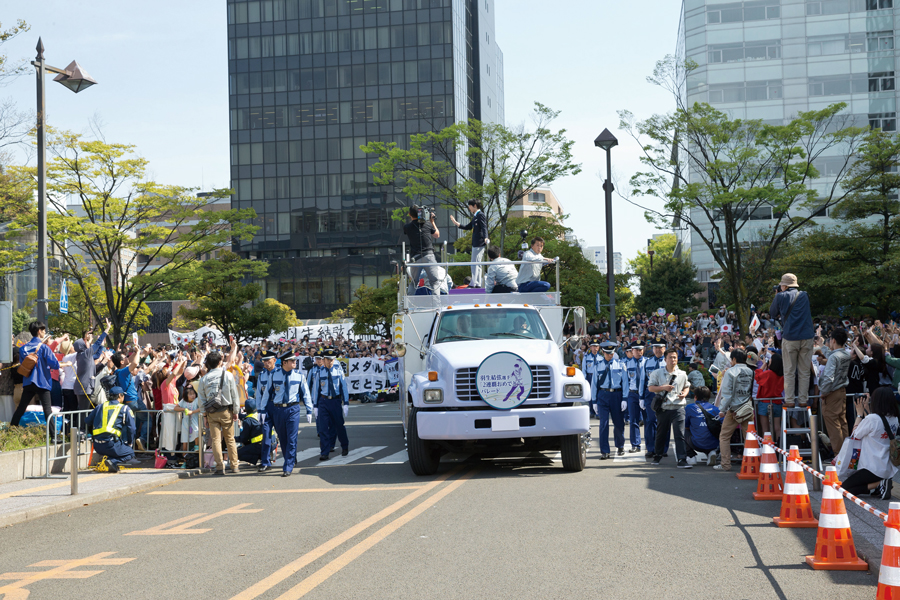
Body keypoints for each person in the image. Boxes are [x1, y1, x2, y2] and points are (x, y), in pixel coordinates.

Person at [842, 388, 898, 500]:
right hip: (887, 467)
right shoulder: (894, 419)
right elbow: (877, 424)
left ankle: (879, 484)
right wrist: (866, 409)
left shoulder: (872, 419)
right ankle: (880, 485)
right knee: (852, 486)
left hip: (871, 468)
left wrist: (859, 414)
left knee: (843, 489)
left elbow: (855, 435)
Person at [770, 273, 814, 408]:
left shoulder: (780, 296)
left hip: (790, 337)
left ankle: (789, 400)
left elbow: (772, 313)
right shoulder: (804, 295)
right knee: (804, 371)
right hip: (807, 336)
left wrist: (778, 295)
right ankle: (802, 400)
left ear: (784, 285)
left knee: (789, 370)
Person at [268, 351, 313, 477]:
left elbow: (306, 394)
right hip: (278, 409)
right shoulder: (274, 375)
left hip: (293, 409)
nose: (295, 362)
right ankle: (291, 457)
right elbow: (267, 393)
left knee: (292, 438)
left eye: (295, 360)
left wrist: (309, 410)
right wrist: (262, 409)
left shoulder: (299, 375)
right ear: (284, 362)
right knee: (283, 438)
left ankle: (288, 465)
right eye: (292, 361)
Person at [198, 351, 240, 476]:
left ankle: (220, 467)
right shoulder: (227, 375)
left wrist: (204, 415)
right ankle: (234, 465)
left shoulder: (204, 378)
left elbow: (201, 399)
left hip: (211, 412)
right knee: (230, 439)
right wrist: (236, 411)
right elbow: (234, 395)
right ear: (220, 362)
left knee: (216, 439)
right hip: (226, 410)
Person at [9, 321, 60, 428]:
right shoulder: (44, 348)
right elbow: (55, 365)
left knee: (21, 408)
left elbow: (24, 365)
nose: (45, 332)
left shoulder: (23, 348)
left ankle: (11, 430)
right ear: (39, 331)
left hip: (28, 382)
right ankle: (54, 436)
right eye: (44, 330)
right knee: (47, 410)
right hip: (42, 382)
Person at [648, 348, 691, 467]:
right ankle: (657, 456)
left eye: (675, 357)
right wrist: (663, 388)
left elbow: (687, 386)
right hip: (664, 407)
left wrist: (685, 393)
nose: (673, 360)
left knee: (680, 434)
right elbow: (651, 388)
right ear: (665, 359)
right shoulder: (657, 373)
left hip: (678, 407)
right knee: (661, 433)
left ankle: (682, 459)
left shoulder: (682, 374)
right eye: (670, 357)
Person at [714, 349, 754, 471]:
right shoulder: (750, 371)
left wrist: (722, 409)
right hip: (747, 408)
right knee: (750, 437)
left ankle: (725, 464)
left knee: (724, 436)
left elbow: (727, 394)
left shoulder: (731, 372)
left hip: (733, 409)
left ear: (734, 359)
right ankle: (752, 465)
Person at [818, 328, 852, 456]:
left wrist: (824, 392)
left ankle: (838, 454)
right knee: (842, 422)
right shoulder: (846, 355)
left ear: (833, 340)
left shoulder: (834, 357)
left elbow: (828, 378)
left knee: (833, 424)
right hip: (842, 391)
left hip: (831, 392)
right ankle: (845, 453)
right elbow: (832, 355)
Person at [88, 385, 137, 473]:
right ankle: (113, 461)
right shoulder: (124, 408)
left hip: (97, 446)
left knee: (117, 448)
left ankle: (111, 465)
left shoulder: (100, 406)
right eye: (123, 395)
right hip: (111, 445)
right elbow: (132, 428)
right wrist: (130, 443)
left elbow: (87, 421)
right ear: (119, 396)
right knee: (130, 453)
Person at [312, 347, 349, 461]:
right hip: (323, 401)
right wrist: (315, 405)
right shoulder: (319, 371)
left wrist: (346, 402)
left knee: (339, 425)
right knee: (323, 428)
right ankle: (325, 452)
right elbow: (316, 389)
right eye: (327, 359)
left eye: (332, 359)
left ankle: (344, 445)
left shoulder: (338, 370)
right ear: (324, 360)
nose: (329, 362)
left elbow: (344, 387)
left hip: (335, 401)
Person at [592, 341, 626, 460]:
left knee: (618, 423)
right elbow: (594, 384)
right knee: (603, 424)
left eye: (611, 353)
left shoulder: (620, 365)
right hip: (603, 395)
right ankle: (605, 451)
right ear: (603, 352)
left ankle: (620, 445)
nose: (610, 355)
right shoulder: (598, 365)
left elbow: (625, 383)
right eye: (607, 353)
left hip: (616, 395)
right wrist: (594, 401)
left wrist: (625, 399)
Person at [110, 347, 149, 451]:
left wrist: (137, 353)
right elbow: (135, 363)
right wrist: (138, 351)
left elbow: (130, 360)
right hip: (134, 401)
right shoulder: (124, 371)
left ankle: (128, 448)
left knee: (131, 425)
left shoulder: (117, 372)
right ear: (122, 362)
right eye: (125, 357)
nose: (127, 358)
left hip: (125, 403)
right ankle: (142, 439)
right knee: (147, 418)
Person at [403, 205, 441, 294]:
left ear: (409, 214)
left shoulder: (407, 227)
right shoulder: (427, 224)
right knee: (434, 282)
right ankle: (436, 306)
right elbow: (437, 235)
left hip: (415, 258)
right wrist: (432, 221)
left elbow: (411, 226)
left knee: (413, 282)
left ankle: (409, 306)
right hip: (428, 256)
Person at [450, 200, 488, 288]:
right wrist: (456, 223)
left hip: (479, 242)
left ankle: (475, 283)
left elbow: (484, 227)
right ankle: (476, 283)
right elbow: (468, 226)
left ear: (474, 205)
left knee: (475, 263)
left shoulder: (480, 215)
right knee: (475, 263)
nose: (468, 208)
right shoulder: (475, 216)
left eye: (469, 206)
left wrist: (486, 237)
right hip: (475, 243)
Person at [253, 350, 278, 473]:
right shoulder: (262, 375)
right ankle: (265, 461)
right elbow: (258, 394)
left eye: (269, 361)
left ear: (274, 360)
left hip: (278, 407)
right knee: (266, 435)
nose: (266, 363)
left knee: (283, 435)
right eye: (264, 361)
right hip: (266, 407)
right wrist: (259, 410)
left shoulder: (280, 372)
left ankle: (291, 458)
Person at [642, 342, 666, 458]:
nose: (658, 350)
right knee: (650, 421)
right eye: (656, 347)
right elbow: (643, 380)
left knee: (664, 422)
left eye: (660, 347)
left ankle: (663, 449)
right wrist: (641, 397)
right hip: (650, 394)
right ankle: (650, 448)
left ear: (664, 348)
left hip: (665, 394)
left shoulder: (668, 361)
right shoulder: (647, 362)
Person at [685, 386, 720, 466]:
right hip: (714, 443)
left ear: (695, 397)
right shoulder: (716, 409)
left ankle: (691, 456)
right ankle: (711, 452)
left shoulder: (690, 407)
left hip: (696, 443)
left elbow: (686, 425)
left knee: (681, 429)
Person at [755, 353, 784, 444]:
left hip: (764, 402)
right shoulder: (782, 376)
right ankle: (779, 445)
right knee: (777, 427)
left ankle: (767, 448)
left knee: (765, 428)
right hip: (777, 402)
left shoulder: (768, 373)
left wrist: (763, 365)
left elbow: (757, 376)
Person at [623, 343, 646, 453]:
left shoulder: (647, 362)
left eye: (641, 349)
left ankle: (651, 446)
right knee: (633, 420)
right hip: (632, 394)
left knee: (649, 420)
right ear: (632, 351)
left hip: (646, 394)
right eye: (636, 350)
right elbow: (625, 381)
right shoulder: (626, 364)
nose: (639, 352)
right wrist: (625, 397)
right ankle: (635, 444)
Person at [237, 397, 265, 466]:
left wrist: (232, 438)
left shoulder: (248, 421)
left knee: (237, 454)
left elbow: (243, 438)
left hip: (259, 446)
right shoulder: (259, 414)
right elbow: (246, 417)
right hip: (270, 443)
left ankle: (259, 457)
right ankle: (265, 457)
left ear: (246, 409)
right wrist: (237, 415)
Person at [581, 340, 601, 418]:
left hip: (598, 377)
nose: (595, 348)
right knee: (590, 394)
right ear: (590, 347)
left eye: (596, 346)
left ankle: (598, 412)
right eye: (593, 346)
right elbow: (584, 369)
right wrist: (584, 379)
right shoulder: (586, 357)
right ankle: (592, 411)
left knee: (598, 394)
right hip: (590, 376)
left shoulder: (601, 358)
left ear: (598, 347)